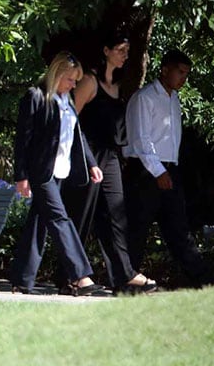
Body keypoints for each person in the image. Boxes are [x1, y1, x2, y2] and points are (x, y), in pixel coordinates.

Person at [66, 32, 157, 294]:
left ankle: (124, 275)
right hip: (87, 154)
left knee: (116, 215)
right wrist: (82, 157)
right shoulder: (89, 82)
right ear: (105, 50)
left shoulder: (117, 86)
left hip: (110, 156)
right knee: (82, 215)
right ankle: (72, 275)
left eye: (127, 51)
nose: (125, 55)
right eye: (120, 49)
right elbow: (71, 119)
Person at [9, 52, 105, 295]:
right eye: (71, 79)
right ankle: (80, 275)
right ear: (58, 74)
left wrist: (91, 163)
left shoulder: (67, 100)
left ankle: (22, 279)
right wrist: (21, 175)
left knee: (39, 223)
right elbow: (23, 139)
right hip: (41, 172)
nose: (74, 85)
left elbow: (77, 134)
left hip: (62, 171)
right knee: (60, 219)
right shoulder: (36, 97)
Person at [123, 48, 209, 287]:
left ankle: (201, 279)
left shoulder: (174, 99)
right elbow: (141, 138)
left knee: (178, 226)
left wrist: (169, 169)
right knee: (138, 227)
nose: (183, 78)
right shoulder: (145, 97)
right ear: (164, 70)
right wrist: (157, 170)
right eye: (180, 72)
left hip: (169, 168)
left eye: (187, 74)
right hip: (145, 170)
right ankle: (127, 278)